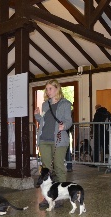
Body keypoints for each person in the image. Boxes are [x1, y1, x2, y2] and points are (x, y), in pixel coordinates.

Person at [35, 79, 72, 208]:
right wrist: (37, 116)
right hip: (44, 139)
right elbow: (45, 120)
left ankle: (60, 195)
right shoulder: (45, 104)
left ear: (57, 89)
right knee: (46, 169)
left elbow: (69, 121)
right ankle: (47, 196)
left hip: (59, 140)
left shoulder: (65, 104)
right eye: (46, 89)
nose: (48, 91)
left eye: (50, 88)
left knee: (59, 167)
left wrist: (64, 126)